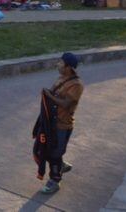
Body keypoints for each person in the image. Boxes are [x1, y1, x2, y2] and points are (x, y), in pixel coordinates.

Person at [39, 52, 84, 194]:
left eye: (60, 62)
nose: (57, 64)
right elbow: (52, 95)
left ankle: (55, 180)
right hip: (51, 123)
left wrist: (49, 95)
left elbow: (66, 103)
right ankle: (60, 164)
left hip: (63, 125)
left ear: (68, 67)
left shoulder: (76, 85)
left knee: (54, 153)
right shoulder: (61, 79)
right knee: (45, 149)